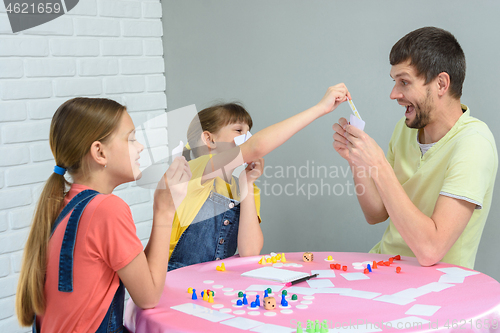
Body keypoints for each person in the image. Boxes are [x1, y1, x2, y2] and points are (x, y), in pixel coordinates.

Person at [15, 98, 192, 332]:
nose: (139, 147)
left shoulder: (64, 204)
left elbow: (142, 275)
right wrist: (164, 210)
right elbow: (148, 296)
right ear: (99, 152)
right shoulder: (107, 209)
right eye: (130, 139)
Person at [332, 27, 498, 269]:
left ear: (441, 84)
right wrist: (358, 160)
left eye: (404, 82)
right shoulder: (405, 128)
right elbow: (376, 214)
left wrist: (378, 164)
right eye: (395, 82)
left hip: (439, 288)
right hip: (386, 268)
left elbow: (431, 250)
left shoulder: (474, 142)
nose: (393, 94)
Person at [168, 84, 352, 271]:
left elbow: (250, 250)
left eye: (249, 132)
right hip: (178, 276)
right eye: (238, 131)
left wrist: (246, 183)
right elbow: (256, 146)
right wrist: (320, 108)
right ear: (209, 140)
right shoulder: (194, 168)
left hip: (214, 280)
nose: (247, 137)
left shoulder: (241, 183)